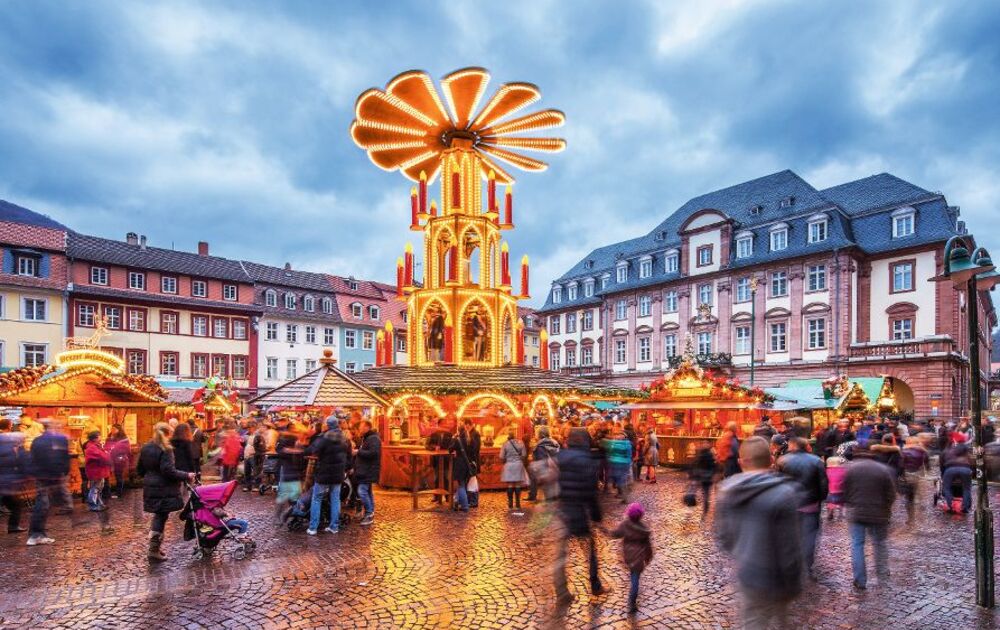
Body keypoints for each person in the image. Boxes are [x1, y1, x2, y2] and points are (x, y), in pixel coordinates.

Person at [716, 437, 802, 629]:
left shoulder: (726, 492)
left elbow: (725, 539)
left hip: (749, 575)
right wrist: (795, 582)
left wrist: (745, 552)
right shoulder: (785, 492)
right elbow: (790, 545)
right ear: (771, 459)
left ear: (741, 462)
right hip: (780, 578)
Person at [554, 428, 608, 604]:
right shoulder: (587, 461)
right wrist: (597, 516)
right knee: (590, 551)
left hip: (562, 512)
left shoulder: (560, 456)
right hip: (578, 514)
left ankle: (561, 591)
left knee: (560, 555)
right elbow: (590, 492)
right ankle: (595, 584)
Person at [137, 423, 196, 561]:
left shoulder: (146, 447)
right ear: (168, 433)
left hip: (151, 485)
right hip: (164, 487)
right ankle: (153, 550)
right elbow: (168, 470)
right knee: (160, 516)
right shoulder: (166, 449)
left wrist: (150, 477)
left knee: (159, 515)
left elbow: (140, 469)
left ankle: (155, 548)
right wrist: (186, 475)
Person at [842, 445, 896, 589]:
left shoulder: (850, 469)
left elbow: (844, 491)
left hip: (857, 512)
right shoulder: (883, 469)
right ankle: (882, 576)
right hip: (879, 513)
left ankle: (860, 580)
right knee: (879, 544)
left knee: (857, 545)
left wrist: (850, 504)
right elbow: (891, 494)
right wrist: (886, 507)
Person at [776, 437, 828, 579]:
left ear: (792, 446)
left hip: (789, 505)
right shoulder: (816, 461)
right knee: (809, 537)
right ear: (806, 447)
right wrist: (820, 500)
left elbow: (777, 483)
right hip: (810, 505)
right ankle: (807, 566)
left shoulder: (782, 460)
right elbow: (823, 485)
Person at [27, 419, 74, 545]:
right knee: (43, 505)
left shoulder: (38, 440)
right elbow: (63, 458)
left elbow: (32, 459)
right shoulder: (59, 439)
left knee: (43, 504)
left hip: (43, 476)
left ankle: (37, 534)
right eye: (57, 425)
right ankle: (36, 534)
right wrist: (63, 472)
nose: (59, 427)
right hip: (51, 476)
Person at [304, 417, 350, 536]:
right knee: (335, 499)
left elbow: (313, 450)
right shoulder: (345, 437)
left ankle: (313, 527)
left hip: (324, 472)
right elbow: (349, 454)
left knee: (317, 498)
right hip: (338, 473)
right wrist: (346, 468)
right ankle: (334, 526)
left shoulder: (324, 437)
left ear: (328, 425)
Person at [610, 502, 654, 615]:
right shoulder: (643, 529)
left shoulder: (625, 524)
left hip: (628, 556)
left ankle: (632, 602)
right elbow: (648, 545)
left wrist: (605, 530)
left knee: (632, 576)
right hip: (639, 557)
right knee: (635, 580)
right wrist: (648, 556)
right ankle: (631, 603)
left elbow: (616, 534)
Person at [0, 419, 28, 534]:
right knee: (16, 504)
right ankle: (13, 526)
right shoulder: (9, 444)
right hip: (8, 480)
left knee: (13, 502)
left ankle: (13, 526)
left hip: (5, 479)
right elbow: (17, 461)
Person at [354, 420, 381, 526]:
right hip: (366, 469)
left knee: (362, 491)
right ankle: (370, 512)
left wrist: (358, 452)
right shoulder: (367, 438)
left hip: (368, 470)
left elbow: (373, 453)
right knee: (368, 491)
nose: (359, 429)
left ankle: (369, 513)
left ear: (367, 427)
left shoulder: (373, 438)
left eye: (361, 427)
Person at [274, 430, 304, 524]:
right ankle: (285, 516)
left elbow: (279, 449)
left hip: (290, 474)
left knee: (288, 497)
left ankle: (283, 516)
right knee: (290, 497)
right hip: (290, 474)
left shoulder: (288, 449)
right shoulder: (293, 449)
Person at [528, 426, 560, 502]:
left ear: (540, 434)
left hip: (546, 471)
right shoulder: (555, 443)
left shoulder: (539, 446)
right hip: (556, 469)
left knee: (548, 495)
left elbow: (540, 460)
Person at [499, 428, 528, 513]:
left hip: (509, 465)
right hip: (518, 465)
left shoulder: (505, 444)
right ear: (515, 435)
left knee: (510, 485)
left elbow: (501, 456)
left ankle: (510, 504)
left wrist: (506, 460)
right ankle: (518, 504)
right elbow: (524, 455)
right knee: (518, 484)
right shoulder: (520, 443)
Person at [449, 423, 475, 513]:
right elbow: (473, 452)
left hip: (460, 464)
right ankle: (457, 502)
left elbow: (450, 450)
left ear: (459, 431)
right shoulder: (470, 439)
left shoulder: (457, 440)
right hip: (468, 465)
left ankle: (464, 506)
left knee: (461, 485)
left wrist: (453, 438)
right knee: (463, 484)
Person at [83, 431, 112, 513]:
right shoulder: (92, 448)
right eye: (100, 436)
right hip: (95, 472)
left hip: (99, 471)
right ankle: (93, 505)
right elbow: (104, 457)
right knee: (95, 488)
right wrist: (107, 454)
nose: (101, 437)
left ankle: (99, 504)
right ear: (95, 438)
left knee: (98, 488)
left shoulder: (96, 446)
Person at [940, 441, 973, 514]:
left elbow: (943, 464)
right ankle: (965, 507)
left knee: (947, 488)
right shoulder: (967, 455)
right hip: (965, 469)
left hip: (950, 469)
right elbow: (972, 465)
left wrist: (943, 475)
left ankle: (950, 506)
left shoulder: (949, 453)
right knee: (966, 489)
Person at [602, 429, 633, 502]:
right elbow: (629, 454)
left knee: (617, 479)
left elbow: (605, 445)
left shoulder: (613, 443)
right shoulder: (627, 443)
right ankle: (624, 493)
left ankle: (622, 494)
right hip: (625, 463)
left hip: (615, 462)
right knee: (622, 479)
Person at [690, 440, 717, 516]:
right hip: (706, 477)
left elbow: (695, 464)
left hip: (702, 477)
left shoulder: (700, 454)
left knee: (696, 491)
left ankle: (696, 506)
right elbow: (714, 466)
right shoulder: (710, 454)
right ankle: (705, 510)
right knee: (705, 494)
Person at [105, 426, 131, 498]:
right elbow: (106, 447)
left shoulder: (124, 439)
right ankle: (107, 493)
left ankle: (118, 493)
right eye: (112, 429)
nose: (112, 430)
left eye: (114, 429)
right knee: (106, 476)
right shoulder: (109, 438)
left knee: (118, 476)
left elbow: (127, 450)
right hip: (109, 459)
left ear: (119, 430)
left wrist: (118, 453)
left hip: (119, 460)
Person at [824, 456, 847, 521]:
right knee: (842, 502)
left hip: (831, 489)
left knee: (830, 502)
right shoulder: (843, 470)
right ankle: (841, 514)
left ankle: (830, 512)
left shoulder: (827, 471)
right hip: (841, 489)